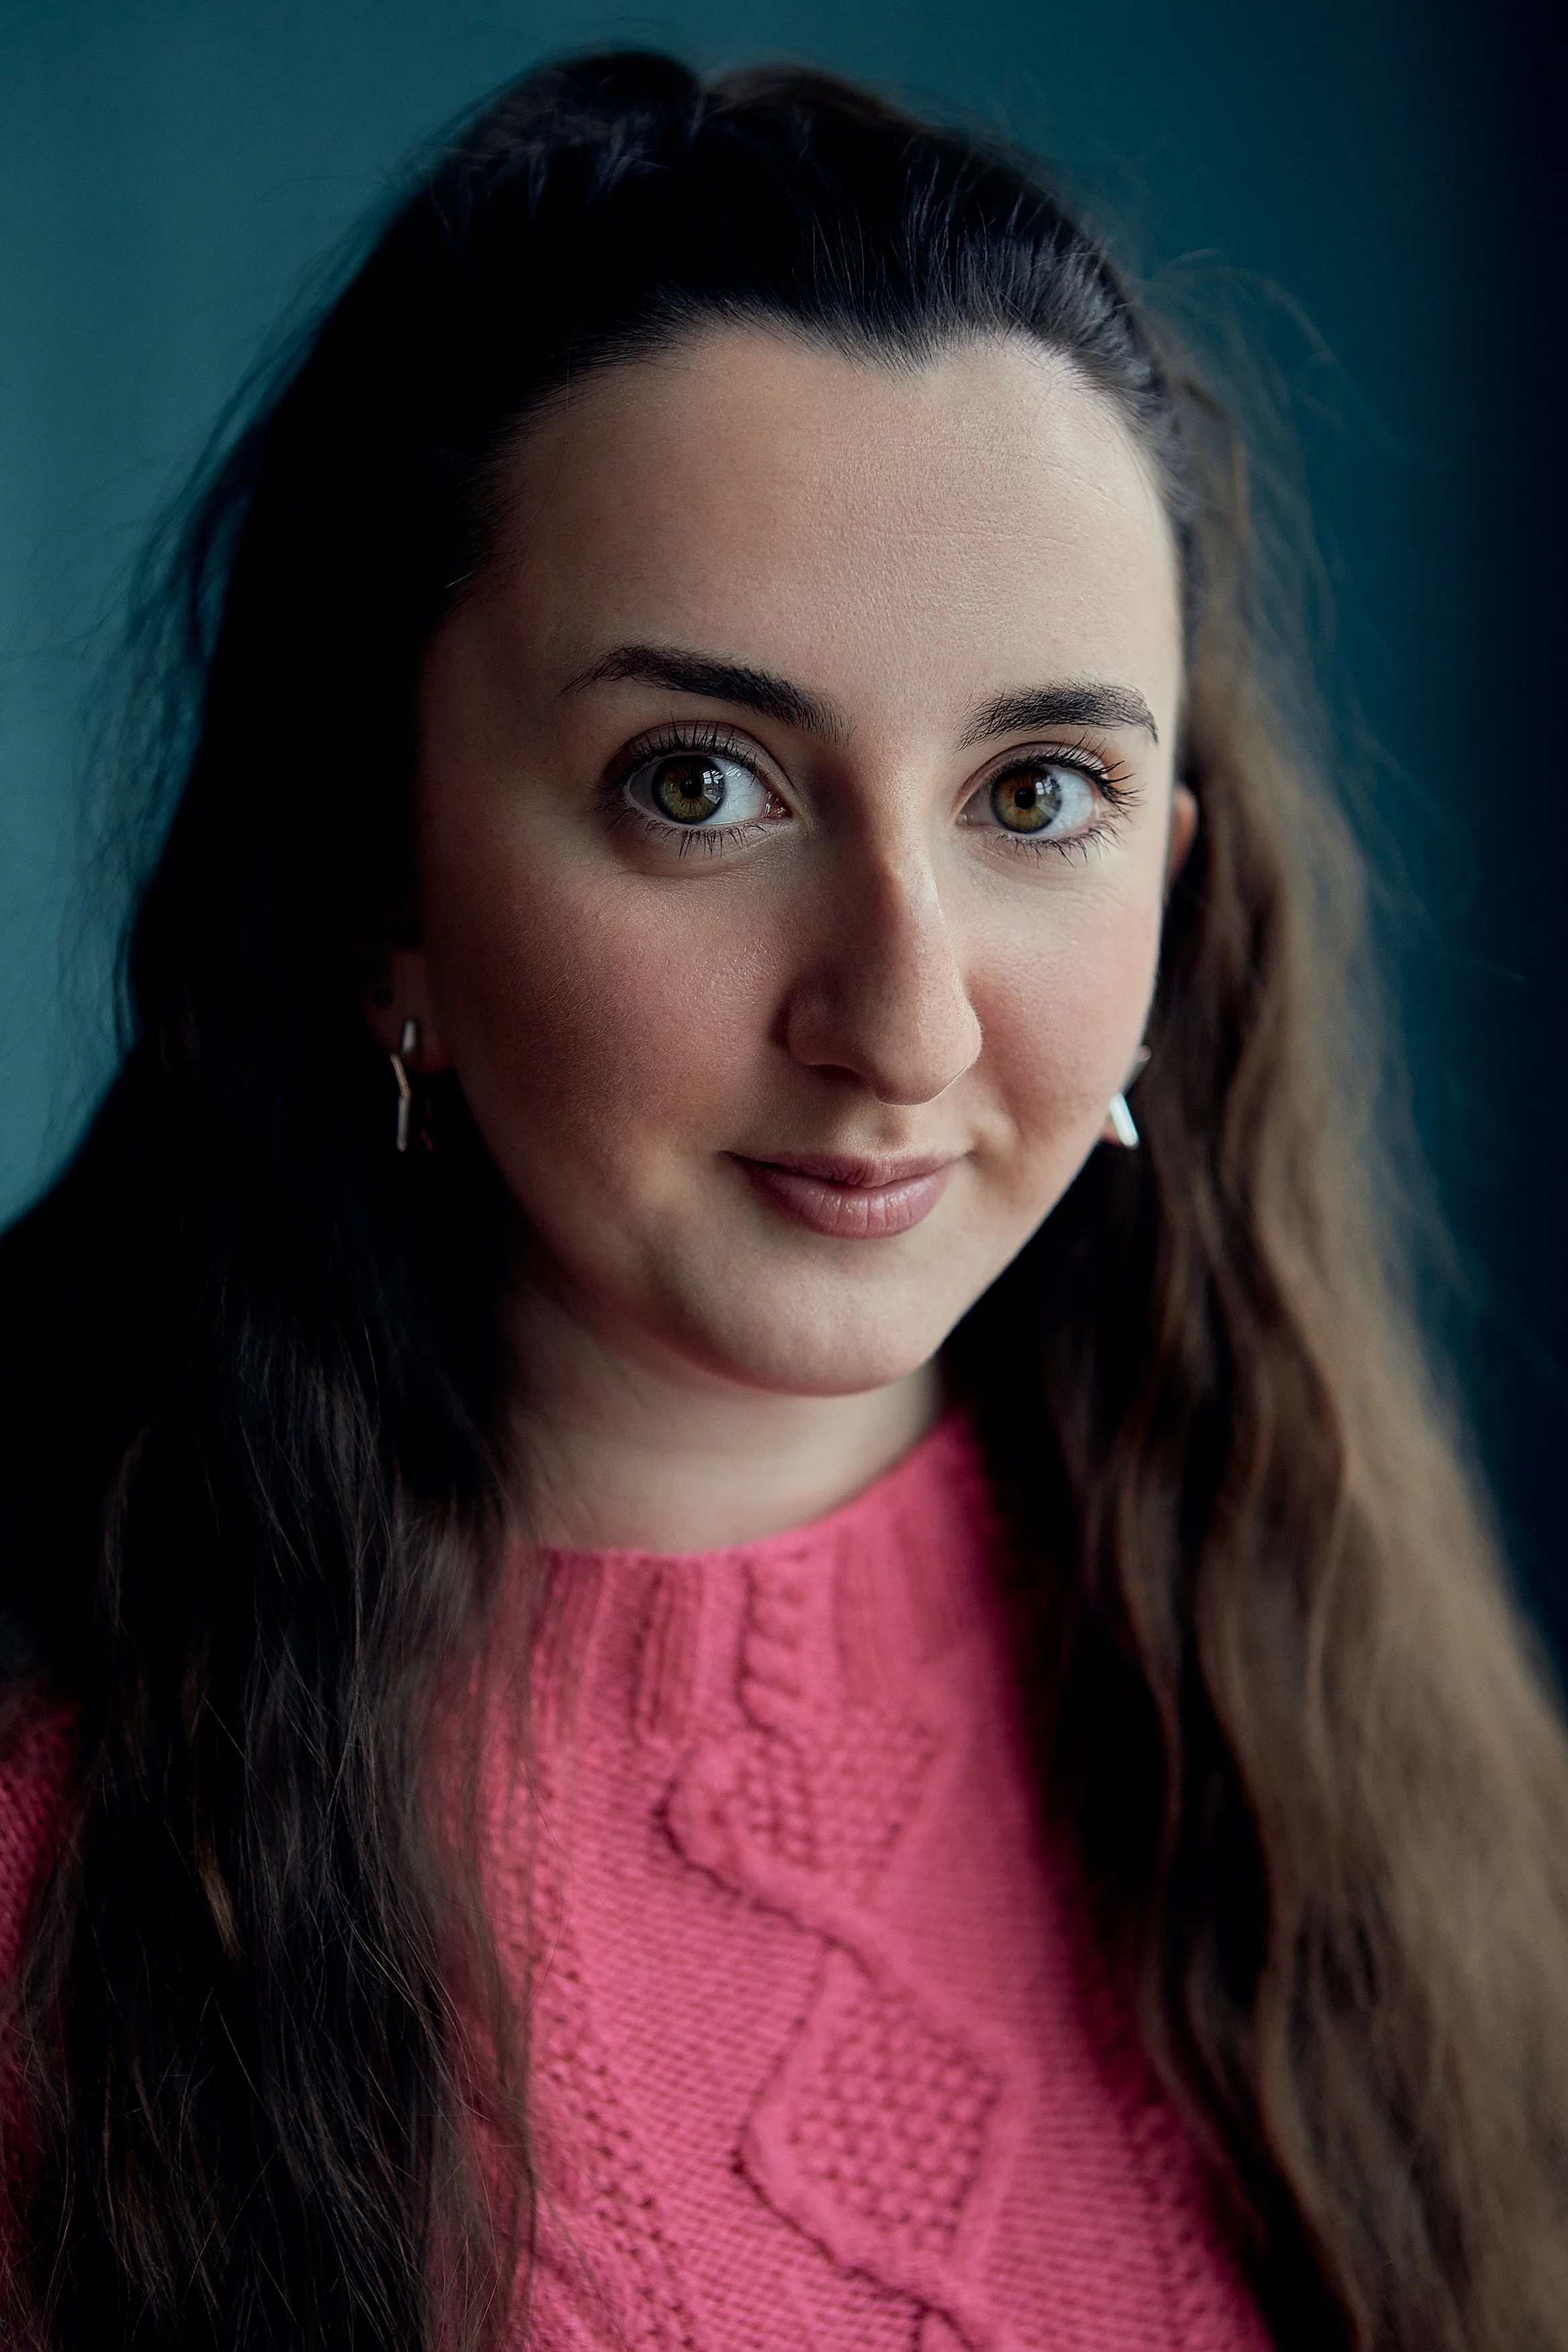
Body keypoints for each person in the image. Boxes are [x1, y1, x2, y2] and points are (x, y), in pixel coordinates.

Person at [0, 48, 1564, 2352]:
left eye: (1036, 793)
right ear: (376, 879)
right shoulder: (53, 1895)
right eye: (700, 784)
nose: (904, 1022)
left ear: (1168, 879)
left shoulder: (1346, 1726)